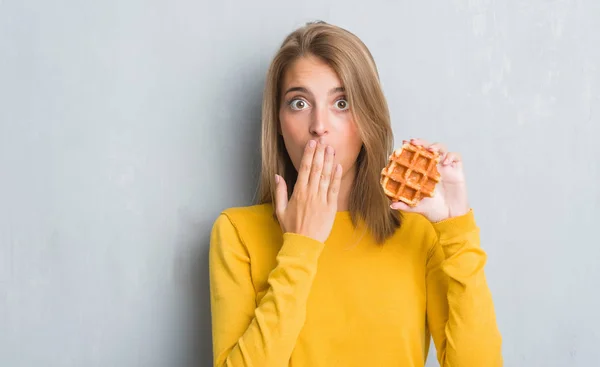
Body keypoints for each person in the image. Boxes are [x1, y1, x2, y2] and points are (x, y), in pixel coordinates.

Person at [209, 21, 502, 367]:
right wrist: (300, 248)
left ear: (368, 118)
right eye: (299, 103)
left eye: (342, 103)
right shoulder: (238, 233)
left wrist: (457, 232)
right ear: (278, 121)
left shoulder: (418, 230)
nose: (319, 125)